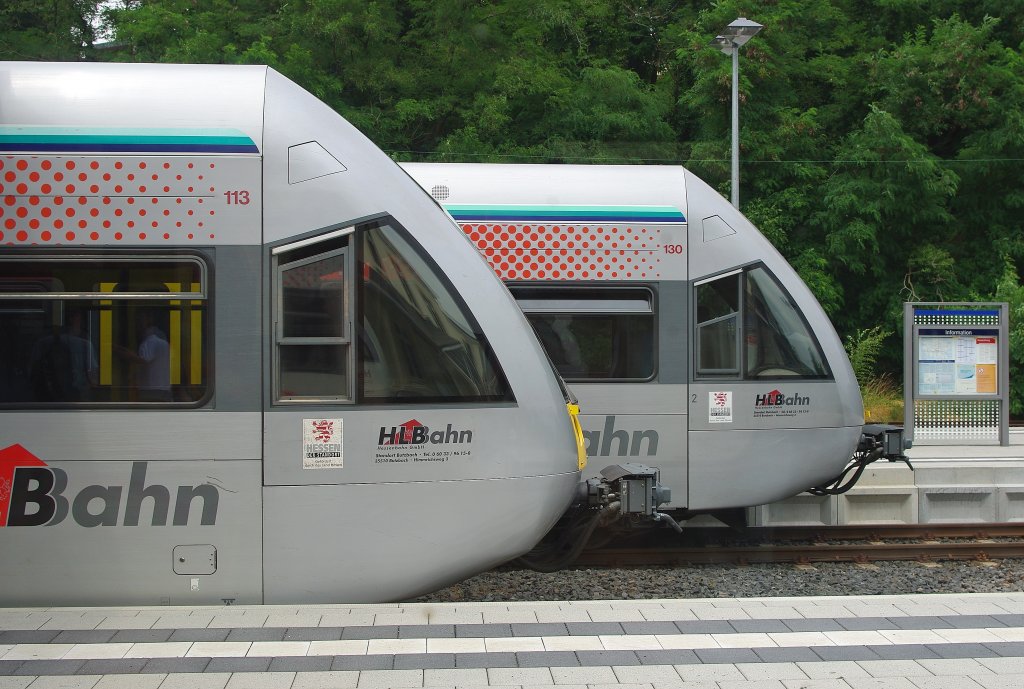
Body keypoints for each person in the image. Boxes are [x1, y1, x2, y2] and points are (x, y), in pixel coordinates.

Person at [29, 309, 98, 402]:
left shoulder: (43, 342)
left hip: (46, 395)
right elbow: (93, 378)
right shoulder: (85, 344)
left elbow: (33, 371)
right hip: (75, 394)